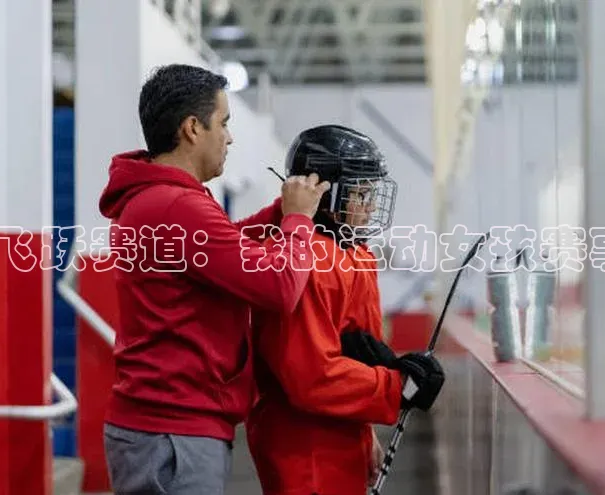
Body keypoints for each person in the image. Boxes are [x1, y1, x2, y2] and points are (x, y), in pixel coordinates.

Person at [97, 63, 330, 494]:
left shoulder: (156, 200)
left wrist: (278, 213)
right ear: (192, 128)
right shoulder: (176, 207)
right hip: (173, 436)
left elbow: (221, 247)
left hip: (163, 430)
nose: (229, 136)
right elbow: (279, 287)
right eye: (223, 122)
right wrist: (298, 220)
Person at [245, 124, 446, 495]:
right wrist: (395, 387)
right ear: (326, 195)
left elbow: (356, 353)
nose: (370, 206)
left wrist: (365, 428)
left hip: (341, 437)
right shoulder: (306, 259)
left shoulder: (357, 255)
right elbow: (310, 377)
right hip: (305, 448)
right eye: (361, 193)